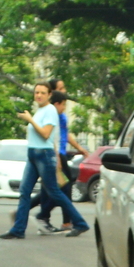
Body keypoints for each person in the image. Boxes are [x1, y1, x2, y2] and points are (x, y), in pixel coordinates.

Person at [0, 83, 87, 240]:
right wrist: (30, 118)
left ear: (49, 95)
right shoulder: (40, 111)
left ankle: (80, 223)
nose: (38, 95)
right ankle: (18, 229)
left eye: (42, 93)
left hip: (43, 155)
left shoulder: (50, 110)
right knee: (24, 192)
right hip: (33, 153)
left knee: (54, 191)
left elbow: (46, 134)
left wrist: (30, 120)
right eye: (36, 92)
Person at [36, 90, 91, 234]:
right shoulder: (52, 116)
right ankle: (44, 216)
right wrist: (57, 158)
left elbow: (64, 135)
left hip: (58, 155)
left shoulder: (58, 116)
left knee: (58, 190)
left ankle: (54, 219)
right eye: (63, 105)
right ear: (56, 104)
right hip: (55, 155)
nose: (64, 108)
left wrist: (79, 148)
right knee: (59, 190)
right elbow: (51, 138)